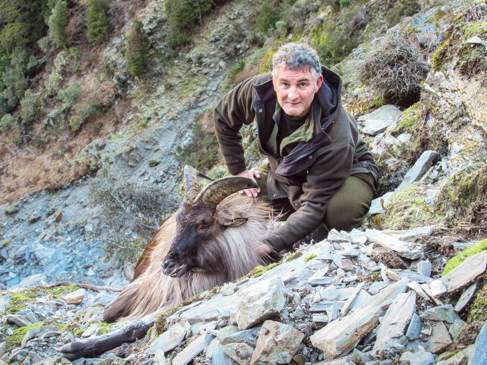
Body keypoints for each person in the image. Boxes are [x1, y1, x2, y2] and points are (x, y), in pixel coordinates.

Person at [214, 43, 378, 257]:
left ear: (318, 83)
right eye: (284, 84)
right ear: (274, 81)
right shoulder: (258, 91)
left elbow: (315, 204)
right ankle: (295, 212)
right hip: (288, 175)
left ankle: (311, 226)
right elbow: (223, 118)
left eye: (302, 84)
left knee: (340, 213)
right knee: (235, 201)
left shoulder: (336, 135)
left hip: (348, 171)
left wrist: (271, 244)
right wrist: (238, 171)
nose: (292, 95)